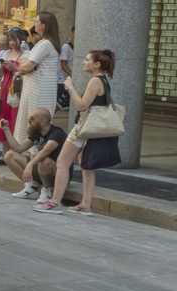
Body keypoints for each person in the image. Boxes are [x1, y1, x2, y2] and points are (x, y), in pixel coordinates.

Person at [36, 50, 122, 215]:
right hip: (90, 130)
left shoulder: (95, 81)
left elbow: (82, 106)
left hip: (82, 129)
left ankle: (55, 202)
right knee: (86, 167)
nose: (83, 62)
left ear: (97, 64)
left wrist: (70, 88)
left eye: (87, 59)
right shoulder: (103, 80)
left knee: (62, 162)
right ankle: (85, 205)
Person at [12, 12, 61, 144]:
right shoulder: (44, 43)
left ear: (43, 25)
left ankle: (35, 159)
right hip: (35, 86)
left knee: (35, 123)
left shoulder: (45, 44)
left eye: (36, 21)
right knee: (30, 122)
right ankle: (32, 159)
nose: (34, 23)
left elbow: (27, 67)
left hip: (39, 88)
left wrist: (19, 67)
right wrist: (23, 66)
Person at [3, 108, 65, 203]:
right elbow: (18, 149)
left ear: (41, 122)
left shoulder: (57, 133)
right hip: (41, 169)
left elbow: (45, 151)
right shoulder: (37, 132)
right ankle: (31, 188)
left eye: (32, 118)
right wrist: (6, 130)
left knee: (45, 161)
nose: (29, 120)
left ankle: (47, 192)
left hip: (58, 173)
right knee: (9, 155)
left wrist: (30, 164)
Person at [0, 30, 26, 163]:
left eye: (14, 40)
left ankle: (16, 152)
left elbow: (26, 73)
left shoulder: (26, 55)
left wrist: (14, 67)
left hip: (17, 89)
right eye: (10, 40)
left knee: (16, 119)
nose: (12, 43)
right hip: (6, 88)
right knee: (4, 118)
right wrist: (1, 67)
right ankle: (4, 153)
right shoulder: (5, 53)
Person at [58, 29, 75, 112]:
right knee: (58, 105)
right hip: (62, 81)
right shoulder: (66, 47)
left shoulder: (76, 48)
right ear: (72, 33)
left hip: (69, 81)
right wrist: (72, 75)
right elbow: (63, 64)